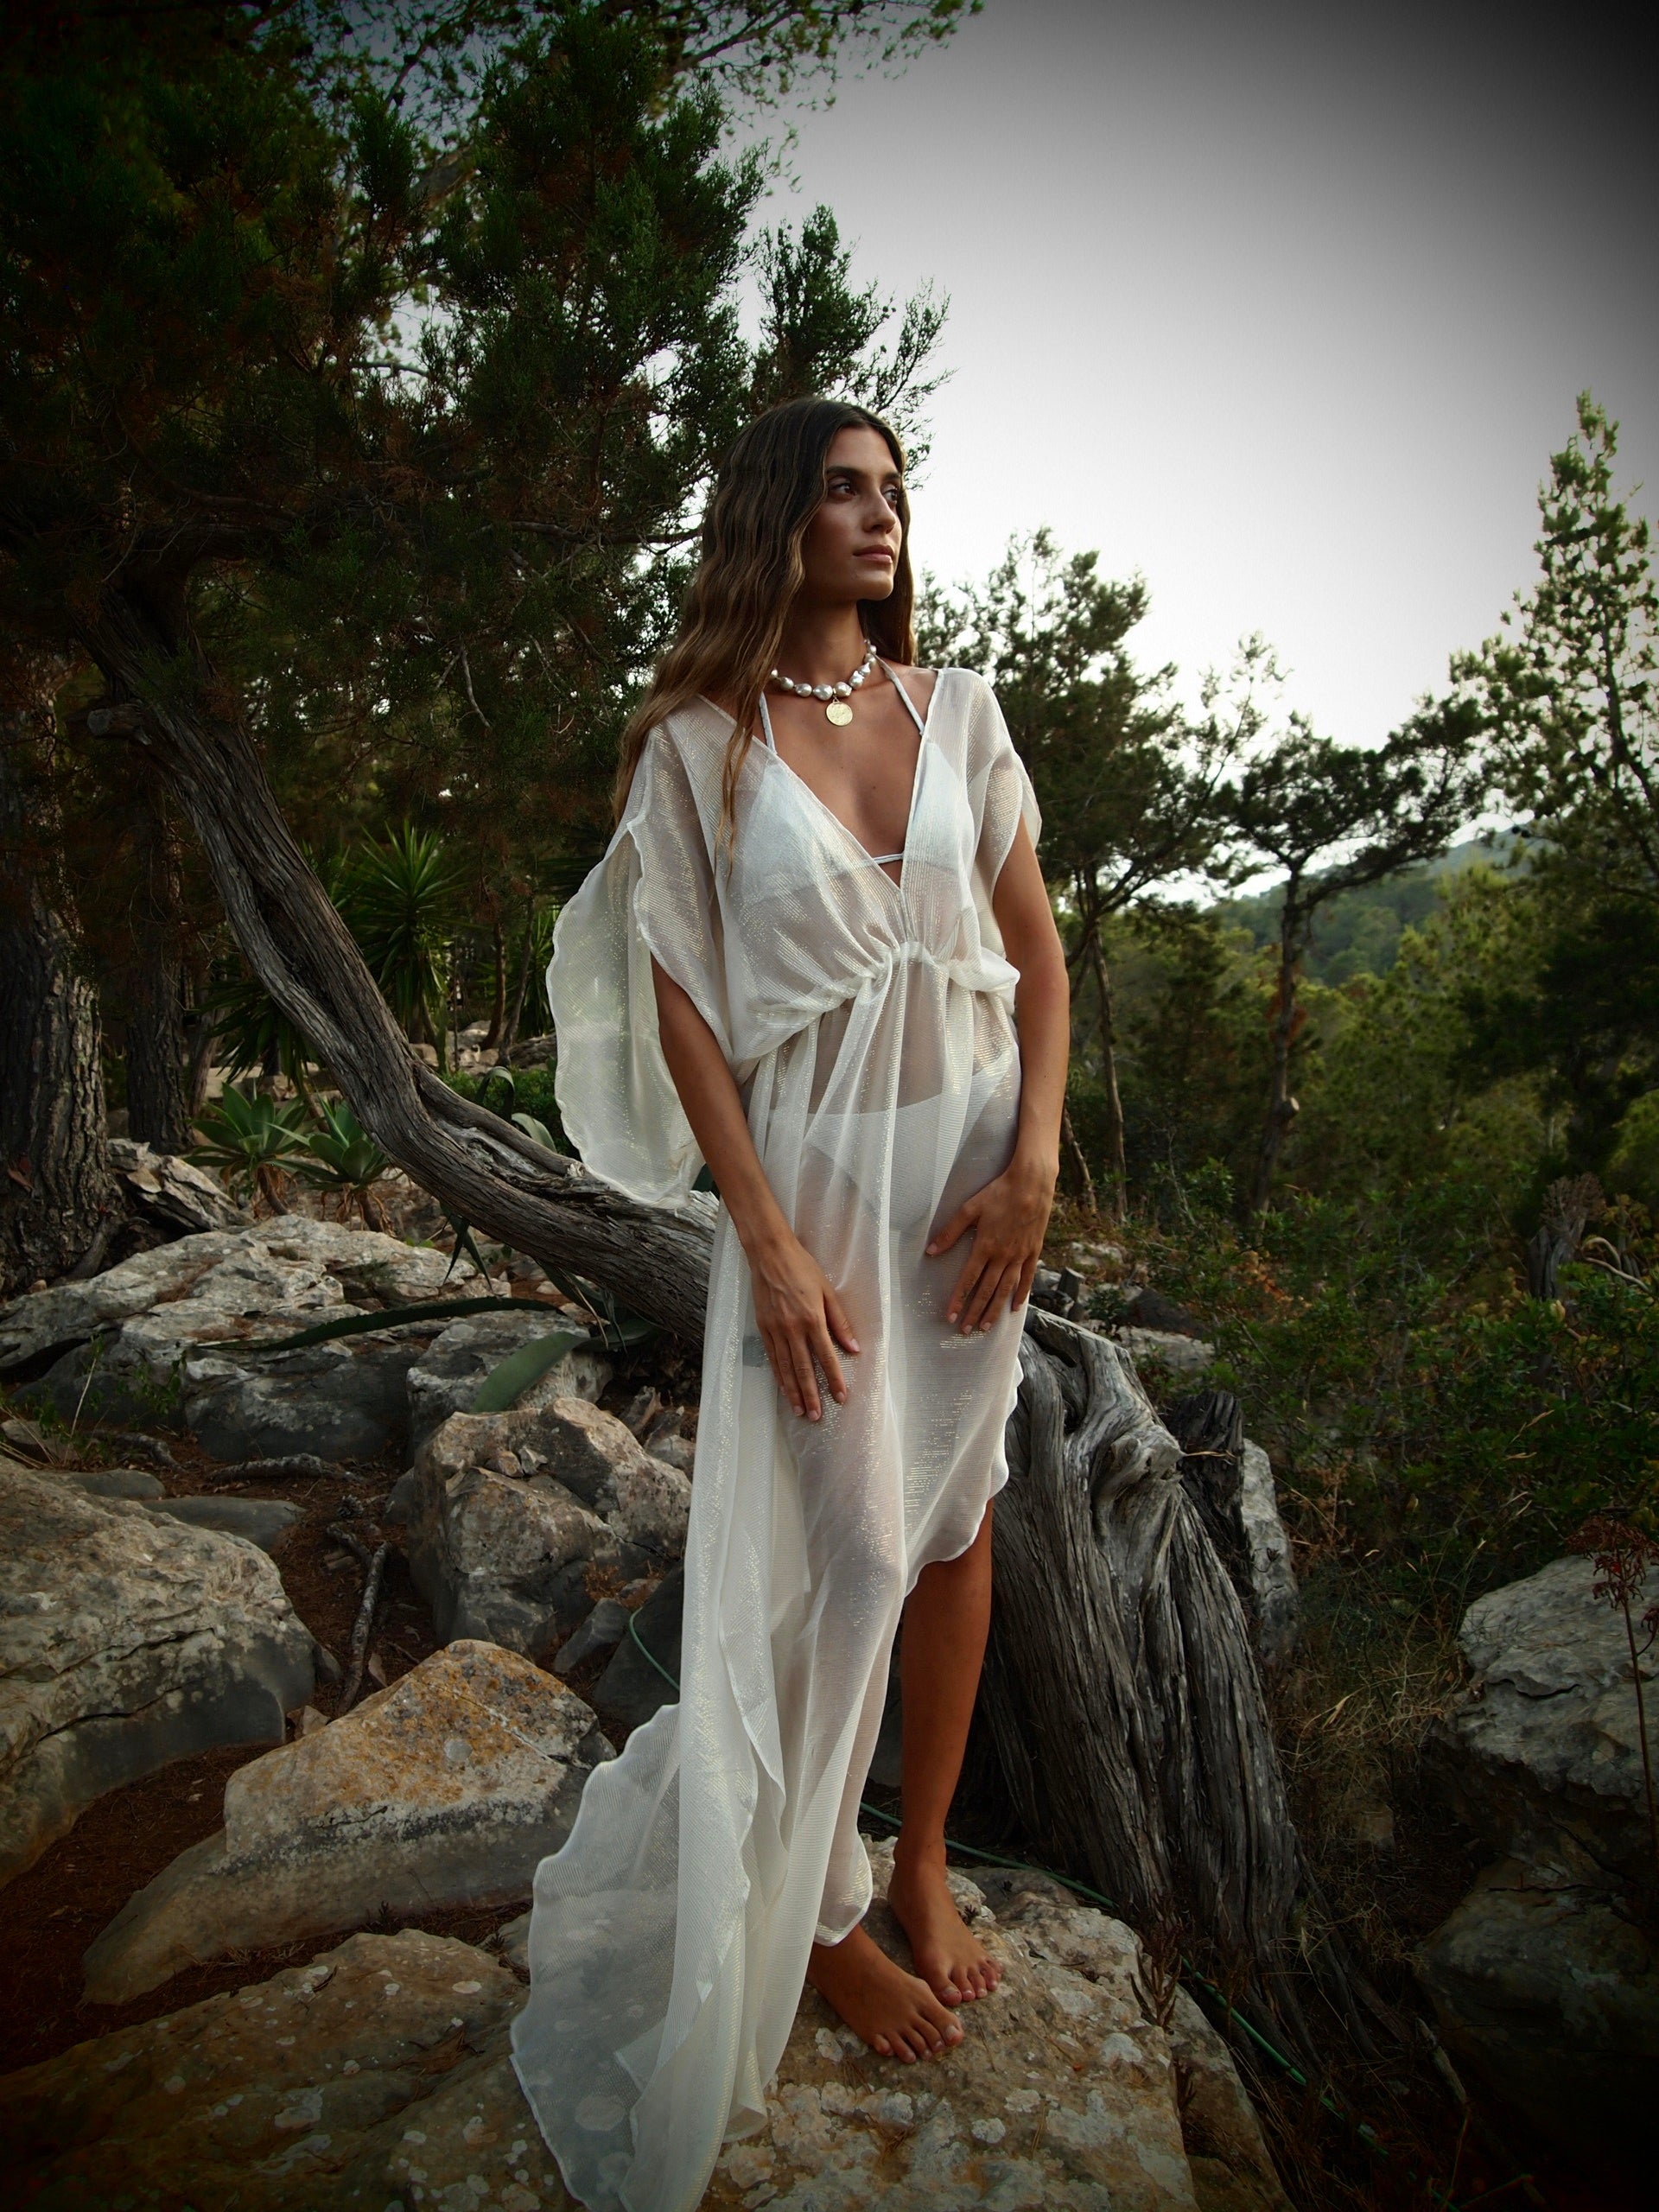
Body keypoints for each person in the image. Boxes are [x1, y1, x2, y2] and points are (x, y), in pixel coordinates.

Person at [509, 394, 1070, 2212]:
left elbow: (1042, 955)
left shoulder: (958, 714)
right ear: (775, 517)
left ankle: (913, 1856)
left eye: (895, 491)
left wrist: (1041, 1161)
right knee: (837, 1554)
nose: (880, 517)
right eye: (843, 489)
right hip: (821, 1202)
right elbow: (683, 999)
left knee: (954, 1520)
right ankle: (822, 1906)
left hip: (972, 1196)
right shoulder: (700, 744)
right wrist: (761, 1232)